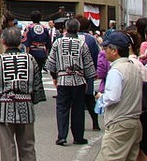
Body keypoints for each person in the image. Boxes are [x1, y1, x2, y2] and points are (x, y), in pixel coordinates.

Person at [0, 27, 45, 161]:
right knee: (28, 147)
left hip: (4, 106)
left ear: (3, 41)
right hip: (26, 105)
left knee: (7, 147)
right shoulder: (30, 59)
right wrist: (32, 100)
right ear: (20, 41)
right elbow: (37, 84)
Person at [45, 18, 96, 146]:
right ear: (77, 29)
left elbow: (51, 63)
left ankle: (62, 136)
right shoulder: (82, 44)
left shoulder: (58, 43)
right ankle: (78, 137)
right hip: (78, 80)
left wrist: (54, 76)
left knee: (62, 108)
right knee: (78, 108)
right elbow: (88, 66)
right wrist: (88, 79)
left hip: (63, 79)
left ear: (66, 29)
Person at [95, 31, 143, 161]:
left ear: (114, 50)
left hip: (119, 123)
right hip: (134, 121)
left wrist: (101, 97)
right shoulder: (134, 67)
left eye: (106, 48)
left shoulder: (116, 70)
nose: (104, 51)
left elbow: (113, 97)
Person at [75, 15, 101, 131]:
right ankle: (95, 123)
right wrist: (94, 70)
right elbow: (96, 56)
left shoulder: (68, 37)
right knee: (89, 98)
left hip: (73, 73)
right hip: (88, 72)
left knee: (76, 100)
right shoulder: (91, 39)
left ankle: (77, 124)